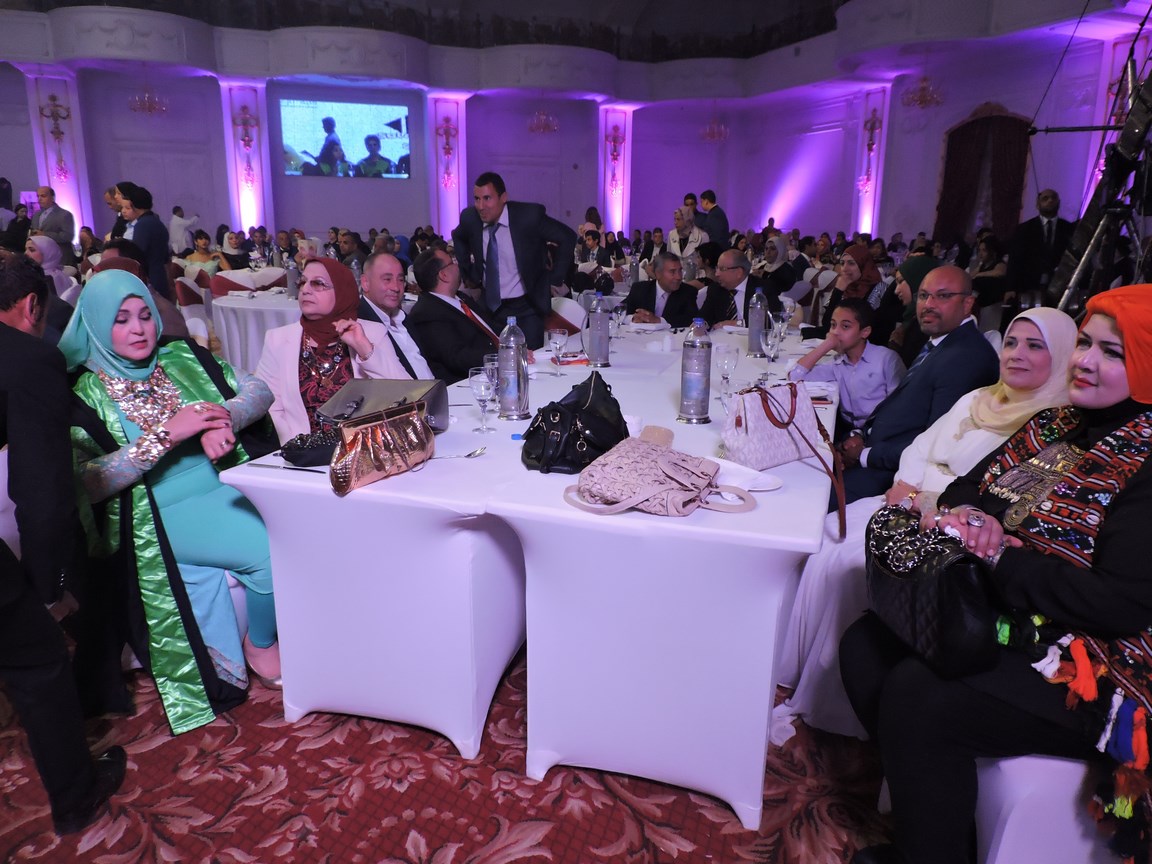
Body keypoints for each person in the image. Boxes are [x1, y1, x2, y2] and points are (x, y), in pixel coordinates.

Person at [840, 285, 1152, 864]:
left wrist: (1002, 556)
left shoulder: (1144, 459)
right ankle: (940, 832)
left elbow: (1120, 603)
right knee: (864, 645)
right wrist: (972, 518)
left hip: (1099, 662)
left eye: (1114, 352)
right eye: (1085, 343)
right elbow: (967, 487)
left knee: (920, 695)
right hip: (1011, 615)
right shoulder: (1057, 423)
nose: (1085, 361)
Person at [773, 308, 1076, 744]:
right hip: (906, 498)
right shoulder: (980, 398)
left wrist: (923, 498)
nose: (1016, 354)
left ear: (1063, 355)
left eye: (1034, 346)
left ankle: (834, 703)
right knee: (819, 535)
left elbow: (987, 491)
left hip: (941, 521)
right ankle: (798, 669)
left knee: (848, 564)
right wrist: (906, 483)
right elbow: (921, 445)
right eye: (1011, 342)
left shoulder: (1048, 424)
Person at [59, 269, 282, 735]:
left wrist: (221, 418)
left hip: (225, 482)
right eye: (121, 320)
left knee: (304, 523)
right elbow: (88, 482)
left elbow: (259, 390)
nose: (139, 329)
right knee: (271, 549)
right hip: (158, 511)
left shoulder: (182, 356)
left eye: (145, 315)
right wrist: (165, 436)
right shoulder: (84, 394)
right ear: (96, 324)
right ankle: (261, 643)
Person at [0, 255, 128, 835]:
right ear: (33, 306)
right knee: (38, 658)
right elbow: (43, 493)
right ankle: (76, 799)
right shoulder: (29, 358)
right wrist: (50, 587)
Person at [835, 266, 1000, 507]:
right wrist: (861, 435)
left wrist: (864, 456)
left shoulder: (966, 357)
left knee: (810, 495)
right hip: (878, 450)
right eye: (923, 295)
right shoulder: (943, 341)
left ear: (967, 304)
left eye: (943, 296)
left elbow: (936, 442)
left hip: (893, 473)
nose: (928, 304)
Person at [255, 257, 408, 443]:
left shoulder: (371, 333)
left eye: (318, 283)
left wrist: (364, 348)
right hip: (300, 452)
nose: (305, 289)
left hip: (364, 449)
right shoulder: (278, 340)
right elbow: (269, 407)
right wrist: (297, 448)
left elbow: (406, 395)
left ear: (342, 290)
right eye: (302, 282)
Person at [452, 171, 577, 349]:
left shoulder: (528, 217)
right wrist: (469, 273)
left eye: (487, 198)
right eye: (477, 199)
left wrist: (555, 278)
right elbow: (458, 236)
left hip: (526, 308)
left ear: (503, 197)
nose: (481, 206)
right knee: (491, 360)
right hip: (490, 308)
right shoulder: (470, 218)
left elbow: (567, 237)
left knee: (531, 361)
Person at [788, 298, 906, 437]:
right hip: (847, 430)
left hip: (880, 430)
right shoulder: (836, 363)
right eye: (833, 325)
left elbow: (898, 407)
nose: (835, 332)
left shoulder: (886, 359)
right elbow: (795, 377)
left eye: (845, 326)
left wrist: (864, 436)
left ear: (865, 332)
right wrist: (826, 345)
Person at [405, 248, 502, 384]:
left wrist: (512, 344)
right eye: (452, 262)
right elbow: (458, 357)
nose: (457, 265)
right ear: (443, 275)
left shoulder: (461, 298)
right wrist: (503, 356)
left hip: (502, 366)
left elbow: (489, 328)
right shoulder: (427, 313)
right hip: (475, 381)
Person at [357, 251, 434, 379]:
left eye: (400, 280)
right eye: (387, 279)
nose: (396, 287)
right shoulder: (361, 326)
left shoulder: (403, 318)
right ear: (365, 283)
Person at [1007, 187, 1074, 308]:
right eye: (1045, 198)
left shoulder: (1069, 229)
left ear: (1059, 203)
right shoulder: (1024, 229)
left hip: (1059, 286)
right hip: (1028, 285)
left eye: (1053, 198)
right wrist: (1010, 287)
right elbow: (1014, 259)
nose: (1050, 201)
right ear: (1038, 204)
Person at [118, 185, 173, 302]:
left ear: (133, 205)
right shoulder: (157, 222)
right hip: (161, 274)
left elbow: (137, 255)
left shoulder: (142, 225)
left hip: (150, 277)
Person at [623, 251, 699, 328]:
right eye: (672, 271)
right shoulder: (640, 289)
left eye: (680, 271)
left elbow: (692, 319)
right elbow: (621, 311)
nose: (679, 277)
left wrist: (658, 320)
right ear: (658, 274)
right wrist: (634, 318)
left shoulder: (688, 292)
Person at [30, 186, 75, 266]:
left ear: (52, 197)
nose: (39, 199)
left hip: (60, 257)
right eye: (38, 196)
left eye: (43, 196)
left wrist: (45, 235)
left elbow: (68, 236)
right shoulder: (36, 215)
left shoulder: (64, 214)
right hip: (42, 259)